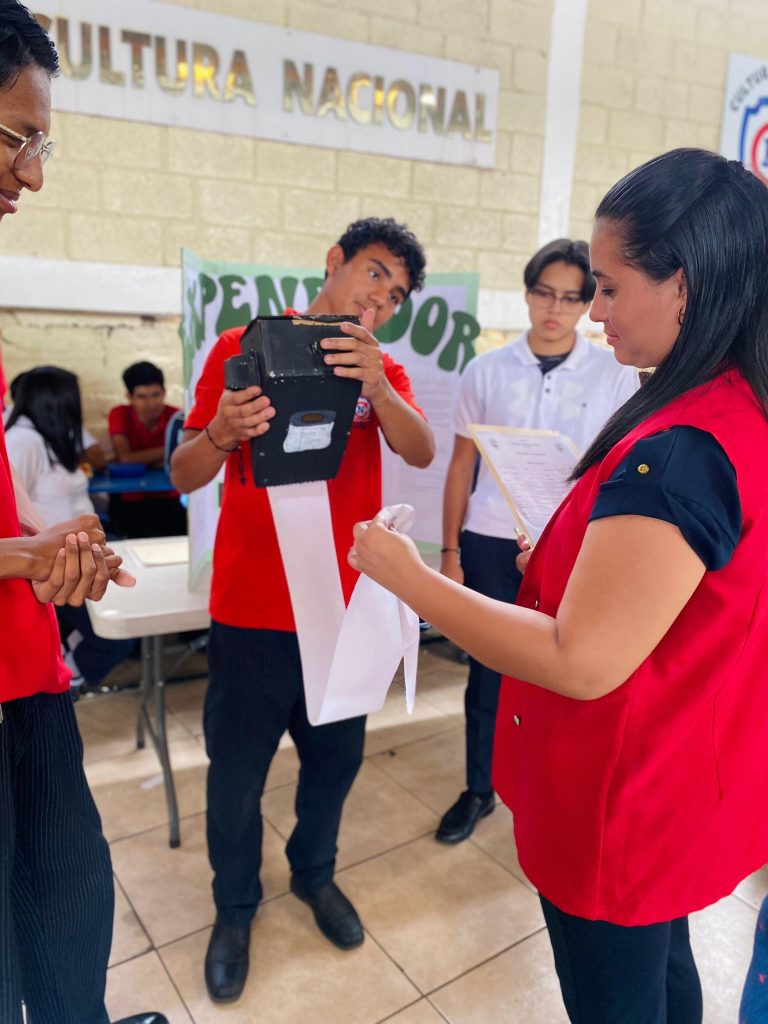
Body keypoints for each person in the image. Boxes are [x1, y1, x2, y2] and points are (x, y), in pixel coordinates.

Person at [349, 148, 768, 1024]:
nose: (592, 311)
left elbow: (580, 660)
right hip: (680, 772)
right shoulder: (733, 407)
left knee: (619, 988)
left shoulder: (679, 445)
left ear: (685, 285)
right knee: (664, 970)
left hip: (622, 790)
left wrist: (409, 576)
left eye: (607, 289)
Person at [171, 216, 435, 1003]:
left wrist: (378, 387)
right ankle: (234, 908)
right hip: (251, 611)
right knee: (235, 779)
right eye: (375, 273)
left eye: (397, 294)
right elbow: (184, 473)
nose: (381, 298)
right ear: (335, 261)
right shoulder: (242, 347)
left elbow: (421, 451)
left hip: (342, 610)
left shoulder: (382, 370)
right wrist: (222, 432)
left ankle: (314, 874)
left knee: (334, 765)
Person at [0, 5, 165, 1023]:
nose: (33, 174)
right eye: (18, 138)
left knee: (66, 901)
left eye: (42, 144)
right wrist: (25, 555)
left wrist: (33, 551)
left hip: (25, 666)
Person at [437, 238, 639, 843]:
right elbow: (460, 467)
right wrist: (449, 553)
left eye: (573, 297)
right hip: (490, 540)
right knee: (488, 674)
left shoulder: (615, 373)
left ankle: (552, 795)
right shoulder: (485, 370)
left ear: (589, 303)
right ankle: (479, 788)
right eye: (544, 293)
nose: (556, 308)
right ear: (527, 294)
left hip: (574, 548)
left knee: (566, 674)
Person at [5, 367, 135, 695]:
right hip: (55, 567)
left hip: (77, 559)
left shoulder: (52, 434)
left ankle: (68, 671)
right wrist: (37, 553)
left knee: (109, 627)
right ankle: (73, 680)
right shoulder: (22, 441)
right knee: (113, 637)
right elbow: (14, 514)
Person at [108, 360, 186, 538]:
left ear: (164, 392)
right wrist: (171, 450)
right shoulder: (119, 414)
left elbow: (184, 459)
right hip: (130, 500)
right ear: (129, 397)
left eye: (156, 394)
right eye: (143, 396)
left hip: (170, 497)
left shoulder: (176, 416)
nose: (151, 403)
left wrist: (142, 459)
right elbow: (125, 458)